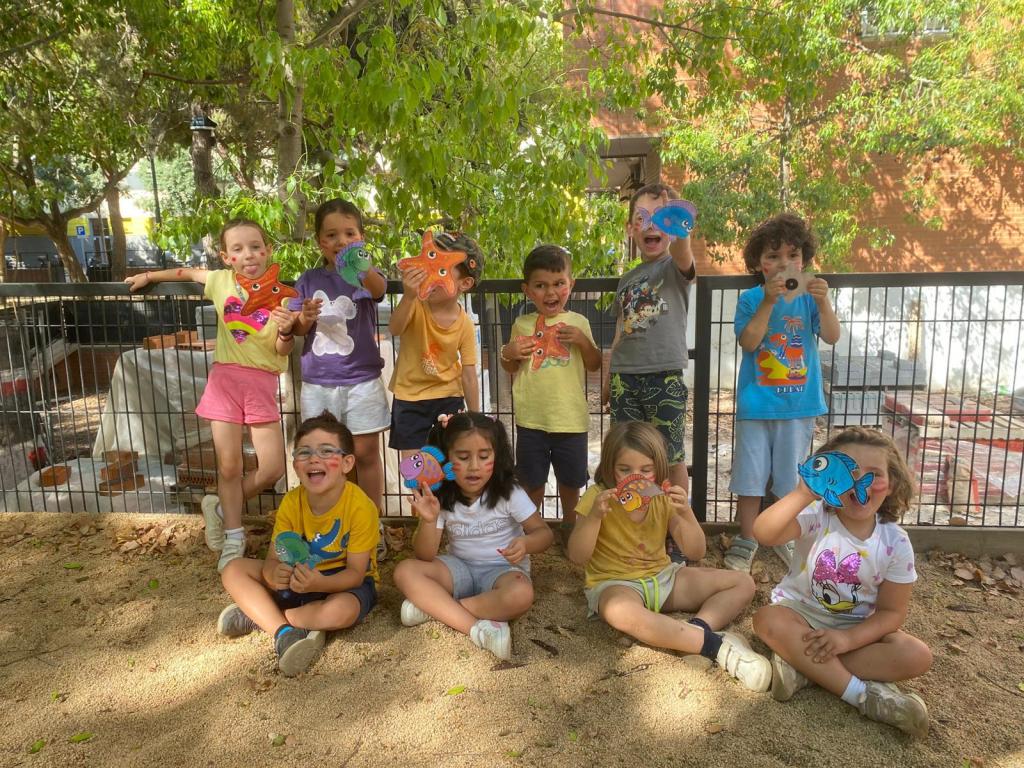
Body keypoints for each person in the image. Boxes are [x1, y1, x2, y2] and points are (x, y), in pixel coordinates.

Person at [125, 219, 292, 572]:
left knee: (272, 468)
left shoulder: (282, 294)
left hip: (261, 385)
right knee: (229, 466)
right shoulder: (221, 281)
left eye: (255, 246)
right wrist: (150, 276)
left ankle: (217, 506)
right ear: (226, 257)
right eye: (238, 249)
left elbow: (282, 349)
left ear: (268, 251)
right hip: (224, 383)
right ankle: (234, 535)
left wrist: (287, 331)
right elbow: (186, 272)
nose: (248, 254)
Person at [751, 427, 933, 737]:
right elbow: (764, 533)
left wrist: (847, 640)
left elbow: (892, 613)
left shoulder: (896, 542)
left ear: (892, 483)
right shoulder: (816, 515)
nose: (859, 481)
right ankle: (862, 695)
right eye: (849, 470)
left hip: (857, 629)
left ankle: (805, 670)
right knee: (766, 620)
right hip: (799, 615)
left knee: (917, 655)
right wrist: (803, 494)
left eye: (874, 474)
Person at [567, 421, 772, 692]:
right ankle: (714, 646)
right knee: (620, 612)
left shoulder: (661, 497)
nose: (636, 477)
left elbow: (696, 552)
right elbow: (577, 555)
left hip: (663, 578)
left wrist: (686, 513)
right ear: (609, 467)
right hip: (615, 583)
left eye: (646, 470)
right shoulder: (597, 497)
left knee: (742, 583)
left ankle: (696, 629)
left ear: (659, 469)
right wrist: (594, 517)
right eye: (625, 469)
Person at [216, 412, 380, 677]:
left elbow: (355, 574)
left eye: (326, 451)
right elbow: (273, 559)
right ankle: (283, 632)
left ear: (347, 463)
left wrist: (319, 583)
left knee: (341, 612)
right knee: (233, 570)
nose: (314, 458)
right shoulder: (292, 502)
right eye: (304, 452)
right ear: (295, 465)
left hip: (341, 583)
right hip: (298, 578)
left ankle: (264, 617)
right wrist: (273, 573)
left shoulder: (362, 507)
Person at [725, 213, 841, 572]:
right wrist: (768, 302)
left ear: (804, 260)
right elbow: (748, 341)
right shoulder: (750, 299)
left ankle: (782, 535)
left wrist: (824, 302)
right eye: (773, 256)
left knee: (790, 478)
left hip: (799, 406)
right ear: (759, 263)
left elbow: (832, 336)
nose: (783, 264)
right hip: (756, 405)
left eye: (792, 255)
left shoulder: (809, 299)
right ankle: (747, 538)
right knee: (750, 477)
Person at [392, 412, 553, 660]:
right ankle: (477, 628)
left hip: (503, 572)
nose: (474, 466)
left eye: (484, 456)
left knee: (521, 594)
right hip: (459, 570)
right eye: (463, 457)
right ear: (446, 457)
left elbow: (544, 534)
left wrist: (525, 543)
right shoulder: (440, 496)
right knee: (405, 571)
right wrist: (429, 520)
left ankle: (438, 609)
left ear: (497, 456)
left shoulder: (509, 492)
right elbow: (425, 556)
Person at [606, 183, 696, 561]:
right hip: (624, 378)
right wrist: (610, 378)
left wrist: (679, 224)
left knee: (671, 456)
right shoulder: (627, 279)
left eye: (660, 218)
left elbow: (684, 250)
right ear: (631, 229)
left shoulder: (674, 267)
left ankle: (679, 530)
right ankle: (635, 527)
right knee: (627, 456)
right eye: (642, 218)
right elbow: (619, 331)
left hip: (664, 377)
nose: (651, 226)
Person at [291, 199, 389, 511]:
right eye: (332, 235)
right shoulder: (309, 280)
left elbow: (379, 290)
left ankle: (371, 521)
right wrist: (304, 316)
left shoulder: (365, 276)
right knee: (322, 456)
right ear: (320, 242)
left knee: (366, 454)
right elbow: (297, 329)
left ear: (361, 239)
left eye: (349, 234)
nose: (341, 241)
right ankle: (327, 517)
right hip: (318, 383)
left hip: (362, 380)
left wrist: (363, 266)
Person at [499, 245, 601, 543]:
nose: (551, 292)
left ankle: (570, 524)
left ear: (571, 284)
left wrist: (582, 341)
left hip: (570, 420)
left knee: (571, 480)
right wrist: (509, 351)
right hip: (531, 420)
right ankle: (533, 529)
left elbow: (594, 364)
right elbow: (510, 366)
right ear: (527, 290)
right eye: (541, 285)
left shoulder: (579, 323)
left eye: (558, 284)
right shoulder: (522, 324)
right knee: (531, 481)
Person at [388, 232, 482, 458]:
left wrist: (476, 420)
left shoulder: (465, 324)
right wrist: (408, 297)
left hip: (448, 397)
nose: (430, 273)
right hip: (409, 399)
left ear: (465, 283)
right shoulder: (415, 304)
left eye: (441, 268)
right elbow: (395, 329)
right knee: (414, 468)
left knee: (450, 464)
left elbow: (469, 374)